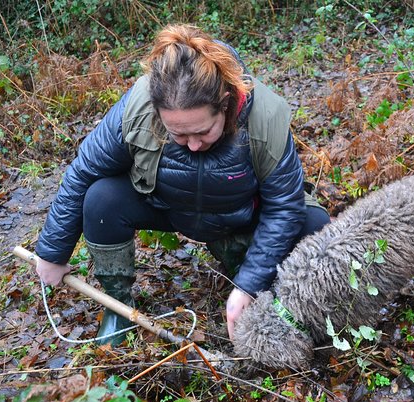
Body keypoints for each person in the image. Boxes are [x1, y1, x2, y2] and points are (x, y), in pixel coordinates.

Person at [34, 24, 330, 346]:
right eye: (178, 134)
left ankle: (257, 275)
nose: (191, 145)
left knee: (314, 222)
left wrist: (247, 286)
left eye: (202, 132)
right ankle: (118, 306)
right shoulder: (138, 108)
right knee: (101, 198)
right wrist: (52, 251)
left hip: (240, 215)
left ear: (227, 104)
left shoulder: (265, 118)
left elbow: (284, 206)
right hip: (169, 206)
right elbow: (83, 171)